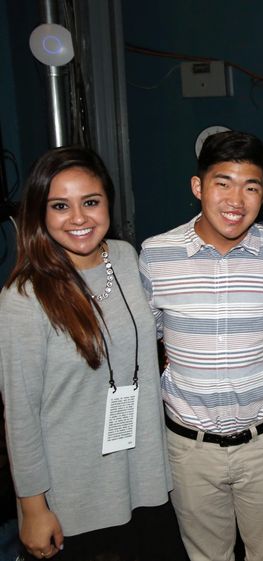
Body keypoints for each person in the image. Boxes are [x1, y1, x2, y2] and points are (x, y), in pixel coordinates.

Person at [0, 147, 182, 560]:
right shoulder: (23, 298)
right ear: (39, 213)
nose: (79, 218)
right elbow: (20, 415)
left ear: (108, 205)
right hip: (76, 501)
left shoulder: (126, 257)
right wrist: (32, 508)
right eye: (60, 206)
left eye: (91, 202)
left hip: (146, 480)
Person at [139, 131, 263, 561]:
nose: (236, 199)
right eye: (222, 182)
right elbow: (147, 341)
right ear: (198, 187)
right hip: (190, 450)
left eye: (250, 187)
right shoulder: (156, 256)